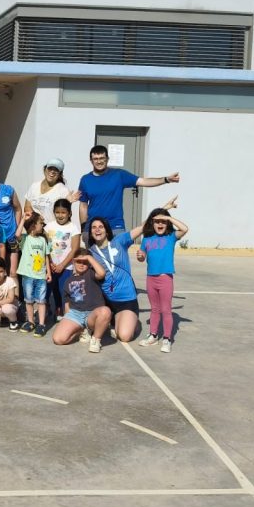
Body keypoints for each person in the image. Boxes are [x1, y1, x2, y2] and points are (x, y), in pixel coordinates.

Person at [86, 199, 177, 344]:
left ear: (107, 230)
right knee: (91, 324)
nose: (97, 230)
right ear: (90, 233)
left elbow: (142, 227)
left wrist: (164, 209)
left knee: (124, 336)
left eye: (101, 227)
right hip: (105, 301)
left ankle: (128, 322)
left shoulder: (119, 241)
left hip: (126, 300)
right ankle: (110, 320)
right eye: (94, 227)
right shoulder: (90, 252)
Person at [78, 145, 180, 232]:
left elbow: (143, 181)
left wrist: (166, 179)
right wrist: (84, 228)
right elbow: (83, 206)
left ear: (107, 159)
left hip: (115, 226)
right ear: (91, 161)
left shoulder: (119, 175)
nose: (99, 161)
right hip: (93, 227)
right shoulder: (85, 180)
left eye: (102, 158)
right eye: (95, 159)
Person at [137, 200, 189, 353]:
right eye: (157, 221)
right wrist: (140, 256)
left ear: (167, 223)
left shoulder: (171, 236)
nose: (160, 224)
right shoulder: (146, 239)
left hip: (165, 278)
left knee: (166, 309)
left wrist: (168, 217)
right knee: (154, 309)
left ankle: (167, 338)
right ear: (152, 223)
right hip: (151, 279)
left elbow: (185, 228)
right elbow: (142, 257)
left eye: (163, 222)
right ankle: (153, 335)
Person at [52, 249, 111, 353]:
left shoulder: (91, 274)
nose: (82, 264)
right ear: (73, 262)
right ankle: (81, 330)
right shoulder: (68, 281)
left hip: (92, 314)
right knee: (58, 339)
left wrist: (89, 257)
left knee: (105, 311)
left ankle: (95, 340)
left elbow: (102, 273)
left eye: (85, 262)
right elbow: (67, 304)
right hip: (76, 314)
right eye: (78, 261)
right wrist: (67, 318)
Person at [45, 199, 81, 320]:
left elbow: (75, 249)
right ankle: (50, 309)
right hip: (50, 266)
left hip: (66, 267)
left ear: (69, 213)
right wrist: (50, 263)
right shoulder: (49, 227)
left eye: (63, 212)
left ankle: (67, 314)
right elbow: (45, 246)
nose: (60, 215)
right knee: (48, 290)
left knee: (64, 291)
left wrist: (62, 265)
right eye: (57, 212)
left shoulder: (73, 228)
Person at [18, 214, 52, 337]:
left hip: (41, 276)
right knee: (29, 300)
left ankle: (41, 324)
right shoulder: (25, 239)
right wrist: (23, 219)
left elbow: (46, 257)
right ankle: (31, 322)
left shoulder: (43, 240)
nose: (43, 226)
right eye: (41, 223)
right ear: (33, 226)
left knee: (41, 301)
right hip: (28, 276)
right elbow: (17, 235)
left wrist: (48, 272)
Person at [23, 158, 80, 226]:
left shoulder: (63, 191)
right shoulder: (34, 186)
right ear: (45, 170)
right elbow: (27, 207)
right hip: (33, 229)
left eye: (56, 170)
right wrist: (37, 220)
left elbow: (64, 215)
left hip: (51, 230)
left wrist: (66, 202)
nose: (52, 172)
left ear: (60, 174)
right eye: (50, 168)